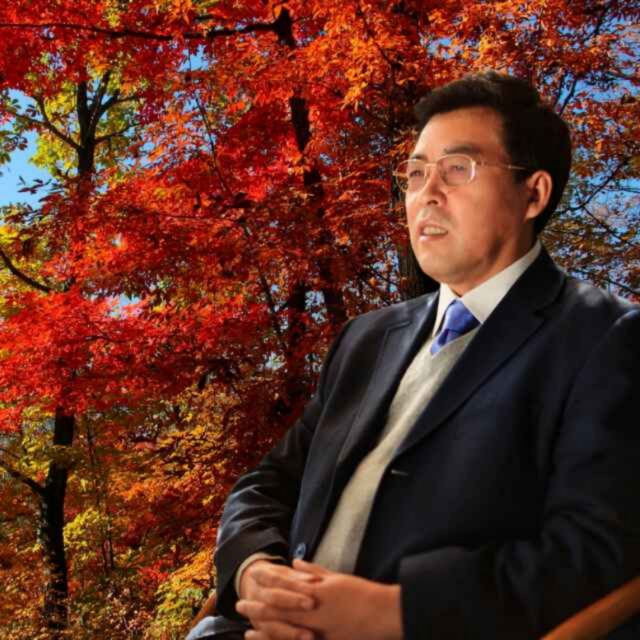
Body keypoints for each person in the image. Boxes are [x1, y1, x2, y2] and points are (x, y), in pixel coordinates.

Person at [191, 71, 640, 640]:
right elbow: (269, 481)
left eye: (457, 168)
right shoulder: (366, 338)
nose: (427, 193)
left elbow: (596, 552)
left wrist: (390, 613)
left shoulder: (605, 337)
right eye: (416, 173)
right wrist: (254, 570)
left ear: (534, 194)